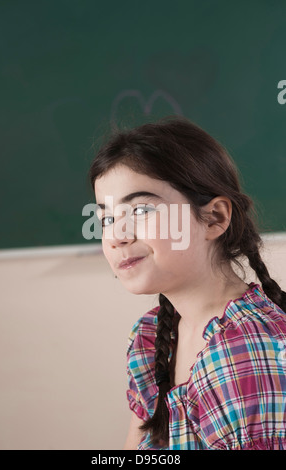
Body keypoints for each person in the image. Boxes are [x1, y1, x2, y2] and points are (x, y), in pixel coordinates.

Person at [88, 115, 286, 450]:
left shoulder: (245, 351)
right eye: (107, 218)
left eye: (139, 211)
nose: (117, 237)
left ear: (214, 218)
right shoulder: (152, 337)